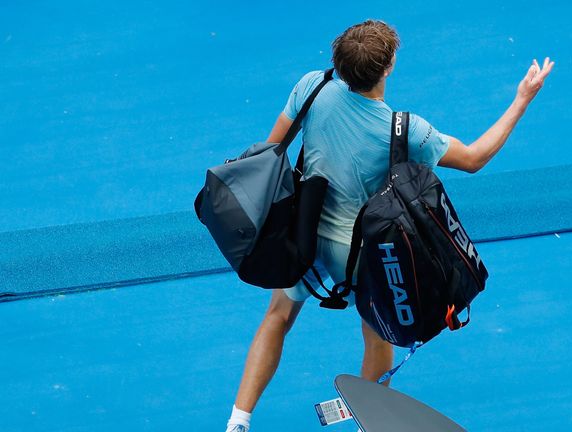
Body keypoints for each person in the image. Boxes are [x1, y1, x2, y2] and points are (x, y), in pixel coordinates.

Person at [225, 19, 554, 432]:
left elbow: (273, 151)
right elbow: (474, 158)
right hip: (362, 257)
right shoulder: (405, 129)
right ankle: (371, 420)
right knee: (378, 337)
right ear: (388, 68)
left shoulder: (312, 86)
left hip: (304, 235)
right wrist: (523, 98)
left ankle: (237, 422)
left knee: (277, 317)